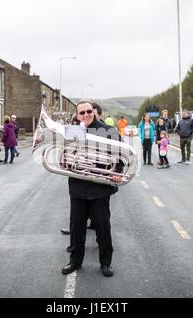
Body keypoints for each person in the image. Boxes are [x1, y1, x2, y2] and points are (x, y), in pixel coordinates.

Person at [62, 100, 123, 278]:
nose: (86, 115)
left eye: (89, 111)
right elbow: (65, 153)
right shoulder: (73, 131)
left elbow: (121, 154)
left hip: (100, 187)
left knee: (103, 227)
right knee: (76, 227)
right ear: (77, 115)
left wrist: (117, 171)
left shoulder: (108, 131)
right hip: (78, 185)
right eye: (82, 113)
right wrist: (63, 160)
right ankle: (75, 261)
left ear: (94, 112)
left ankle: (106, 263)